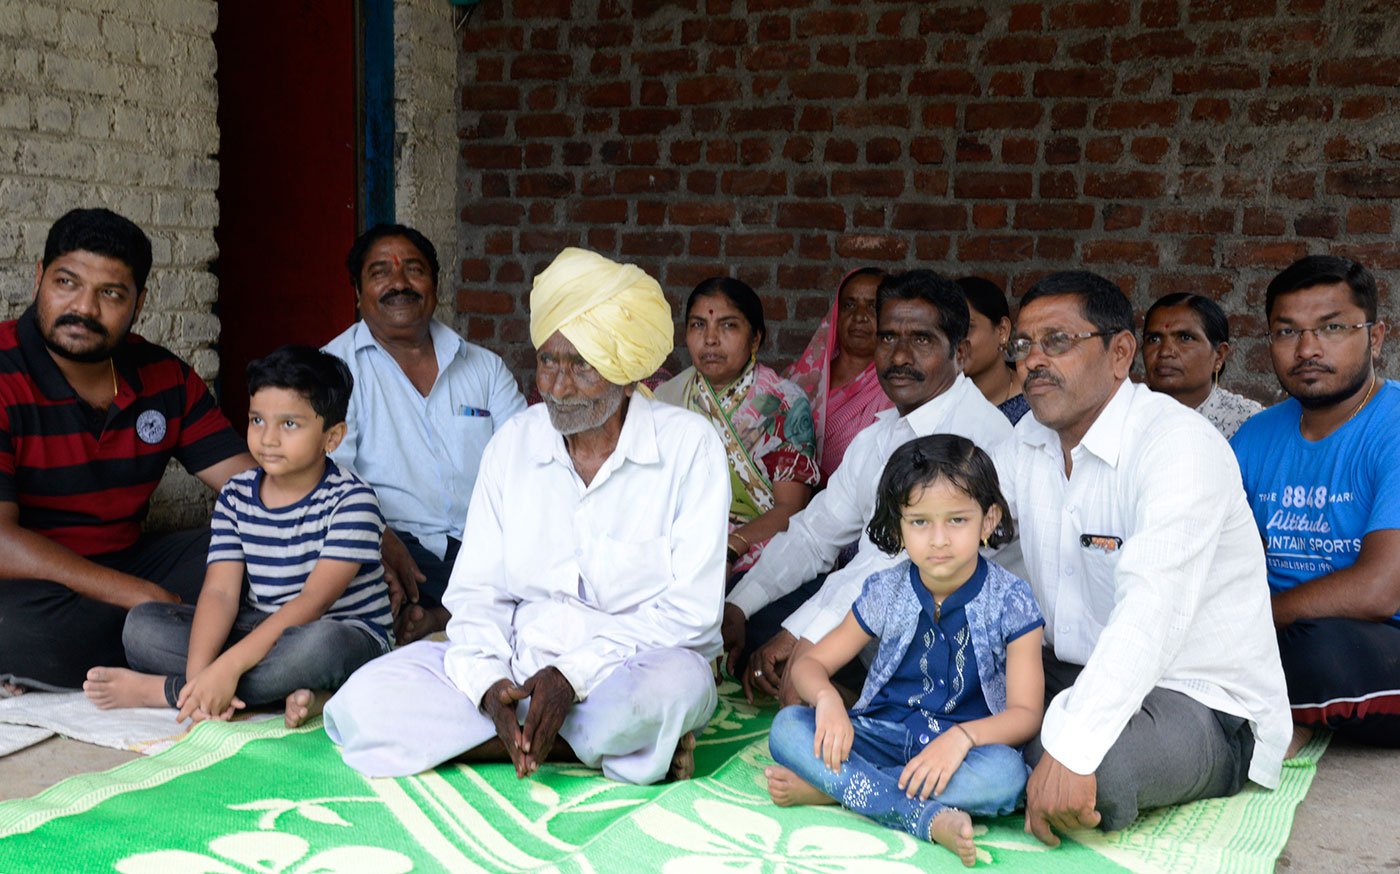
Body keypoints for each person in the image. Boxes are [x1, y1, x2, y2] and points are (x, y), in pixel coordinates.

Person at [324, 248, 729, 784]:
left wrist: (571, 676)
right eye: (547, 362)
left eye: (581, 366)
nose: (557, 387)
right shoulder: (515, 442)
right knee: (364, 703)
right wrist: (489, 684)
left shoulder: (688, 447)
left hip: (627, 669)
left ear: (628, 371)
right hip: (517, 660)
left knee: (675, 690)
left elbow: (692, 616)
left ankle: (511, 740)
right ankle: (563, 744)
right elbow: (477, 594)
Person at [993, 270, 1290, 843]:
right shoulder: (1027, 439)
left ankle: (1020, 751)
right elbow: (956, 539)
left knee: (1097, 772)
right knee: (904, 654)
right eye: (1023, 345)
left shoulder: (1177, 445)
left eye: (1057, 341)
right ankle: (1023, 748)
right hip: (1070, 671)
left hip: (1197, 697)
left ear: (1119, 353)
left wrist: (1073, 745)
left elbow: (1152, 610)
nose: (1032, 360)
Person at [723, 270, 1014, 699]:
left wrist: (800, 636)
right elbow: (813, 533)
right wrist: (738, 607)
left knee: (799, 676)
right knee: (750, 627)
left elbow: (892, 565)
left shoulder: (973, 438)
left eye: (921, 340)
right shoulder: (881, 435)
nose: (898, 356)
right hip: (880, 612)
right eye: (888, 338)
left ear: (961, 352)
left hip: (956, 635)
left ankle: (858, 710)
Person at [0, 208, 253, 695]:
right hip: (31, 588)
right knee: (14, 628)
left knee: (249, 547)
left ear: (140, 302)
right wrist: (137, 596)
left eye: (111, 294)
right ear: (39, 278)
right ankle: (217, 645)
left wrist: (352, 523)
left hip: (125, 562)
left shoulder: (163, 376)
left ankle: (168, 645)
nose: (84, 309)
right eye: (67, 282)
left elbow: (252, 488)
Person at [767, 435, 1044, 868]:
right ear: (898, 526)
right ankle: (923, 815)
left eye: (956, 520)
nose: (938, 540)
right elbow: (812, 664)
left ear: (988, 521)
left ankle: (835, 789)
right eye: (919, 522)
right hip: (878, 736)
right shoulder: (886, 589)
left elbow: (1026, 714)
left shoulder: (1012, 599)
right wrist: (826, 701)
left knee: (1006, 777)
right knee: (788, 726)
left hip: (961, 753)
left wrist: (961, 738)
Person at [82, 346, 392, 727]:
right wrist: (204, 672)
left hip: (340, 633)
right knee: (143, 627)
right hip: (262, 628)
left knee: (321, 647)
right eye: (257, 420)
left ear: (332, 437)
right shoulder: (237, 493)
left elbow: (313, 602)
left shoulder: (352, 499)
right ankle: (234, 690)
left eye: (289, 424)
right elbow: (220, 593)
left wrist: (227, 667)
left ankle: (169, 691)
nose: (268, 438)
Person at [323, 223, 525, 644]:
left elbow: (524, 461)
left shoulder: (484, 368)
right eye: (380, 273)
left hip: (487, 544)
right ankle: (460, 614)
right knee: (361, 572)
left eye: (413, 270)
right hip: (401, 546)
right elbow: (329, 478)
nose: (399, 282)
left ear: (434, 285)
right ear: (358, 294)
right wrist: (375, 533)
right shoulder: (333, 369)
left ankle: (443, 617)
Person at [1230, 255, 1399, 750]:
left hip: (1374, 639)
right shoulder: (1256, 436)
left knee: (1318, 654)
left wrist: (1257, 614)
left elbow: (1379, 590)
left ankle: (1279, 715)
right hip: (1276, 629)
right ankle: (1285, 712)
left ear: (1376, 336)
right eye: (1287, 332)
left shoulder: (1391, 426)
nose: (1307, 348)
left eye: (1331, 328)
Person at [657, 277, 819, 575]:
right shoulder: (667, 398)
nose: (710, 339)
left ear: (755, 338)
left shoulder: (784, 403)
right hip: (681, 543)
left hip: (758, 547)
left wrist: (732, 545)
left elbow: (790, 509)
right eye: (697, 325)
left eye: (728, 325)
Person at [783, 268, 893, 481]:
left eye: (873, 307)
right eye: (849, 305)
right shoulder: (797, 378)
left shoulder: (894, 388)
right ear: (836, 313)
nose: (859, 316)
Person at [1142, 292, 1260, 439]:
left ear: (1219, 355)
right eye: (1154, 339)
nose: (1165, 352)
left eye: (1185, 338)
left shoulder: (1248, 423)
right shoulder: (1126, 413)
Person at [957, 276, 1029, 425]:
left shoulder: (1036, 403)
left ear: (1002, 331)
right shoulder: (935, 404)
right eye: (946, 330)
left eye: (967, 328)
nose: (955, 340)